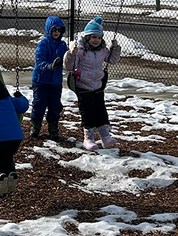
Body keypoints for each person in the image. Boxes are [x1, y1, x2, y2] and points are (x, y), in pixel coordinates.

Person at [63, 16, 122, 150]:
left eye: (99, 37)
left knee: (101, 112)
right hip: (83, 86)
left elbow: (112, 60)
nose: (97, 40)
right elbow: (69, 67)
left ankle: (105, 137)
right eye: (93, 37)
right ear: (87, 37)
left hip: (98, 86)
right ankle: (88, 139)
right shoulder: (80, 50)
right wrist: (71, 54)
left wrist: (115, 48)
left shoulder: (102, 50)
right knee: (88, 113)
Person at [30, 16, 68, 140]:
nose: (56, 32)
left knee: (55, 106)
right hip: (41, 80)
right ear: (49, 30)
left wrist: (72, 56)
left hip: (55, 82)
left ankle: (53, 129)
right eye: (54, 30)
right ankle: (35, 126)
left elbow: (67, 59)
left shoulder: (62, 45)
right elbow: (39, 61)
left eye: (59, 30)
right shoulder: (43, 44)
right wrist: (49, 66)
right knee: (39, 104)